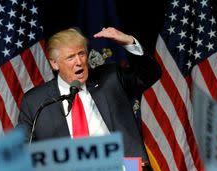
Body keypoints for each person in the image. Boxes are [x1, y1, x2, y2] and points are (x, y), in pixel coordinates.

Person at [17, 27, 161, 162]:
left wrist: (129, 42)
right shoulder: (35, 102)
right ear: (54, 64)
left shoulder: (111, 78)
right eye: (70, 57)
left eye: (81, 54)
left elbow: (150, 74)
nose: (79, 62)